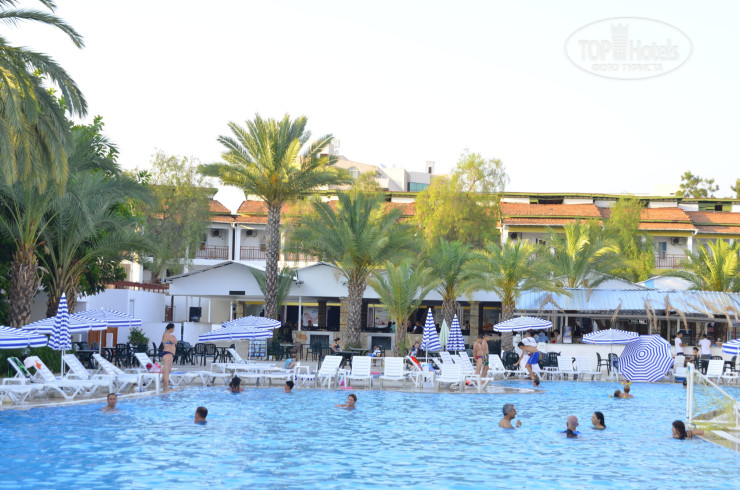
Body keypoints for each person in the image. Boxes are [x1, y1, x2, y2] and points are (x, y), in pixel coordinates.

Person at [161, 323, 177, 393]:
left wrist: (173, 337)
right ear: (171, 328)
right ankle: (166, 388)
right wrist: (174, 337)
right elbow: (175, 341)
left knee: (167, 371)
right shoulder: (167, 335)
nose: (174, 329)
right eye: (174, 328)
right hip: (168, 354)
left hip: (168, 354)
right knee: (166, 372)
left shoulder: (166, 335)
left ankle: (166, 387)